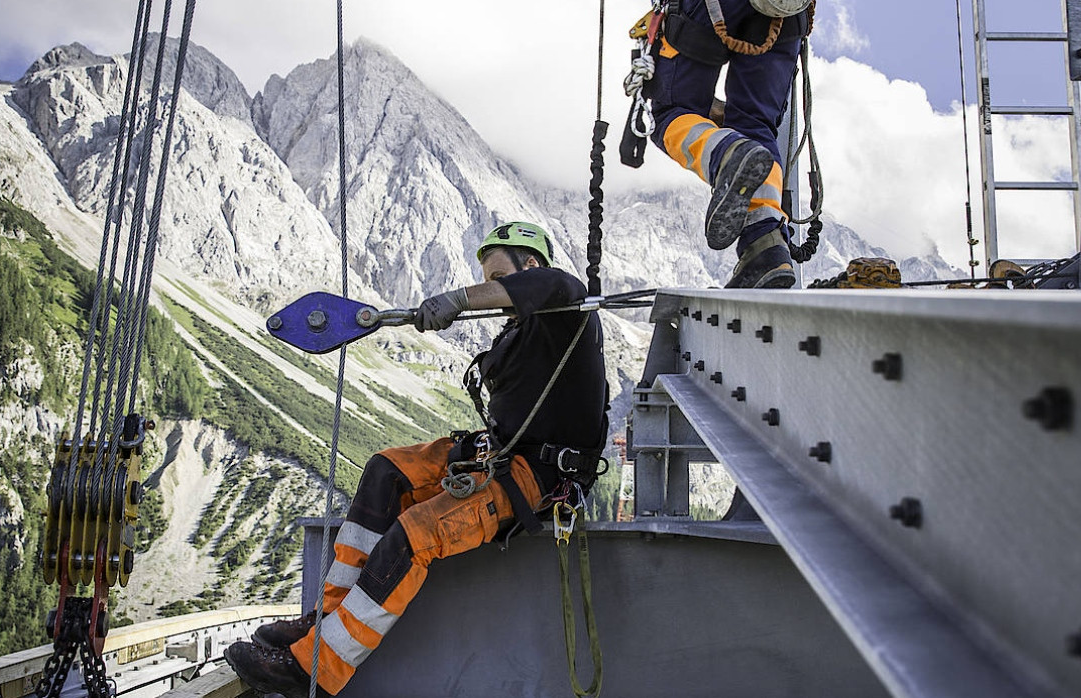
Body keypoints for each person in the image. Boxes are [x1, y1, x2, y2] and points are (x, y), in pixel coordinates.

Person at [224, 221, 609, 697]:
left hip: (540, 475)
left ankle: (314, 670)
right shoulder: (522, 333)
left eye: (498, 276)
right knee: (388, 470)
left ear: (528, 265)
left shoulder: (565, 309)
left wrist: (460, 300)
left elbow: (557, 285)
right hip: (502, 456)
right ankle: (324, 620)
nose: (493, 288)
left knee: (418, 532)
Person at [648, 0, 813, 288]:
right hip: (786, 11)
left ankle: (726, 154)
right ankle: (764, 243)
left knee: (672, 113)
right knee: (756, 127)